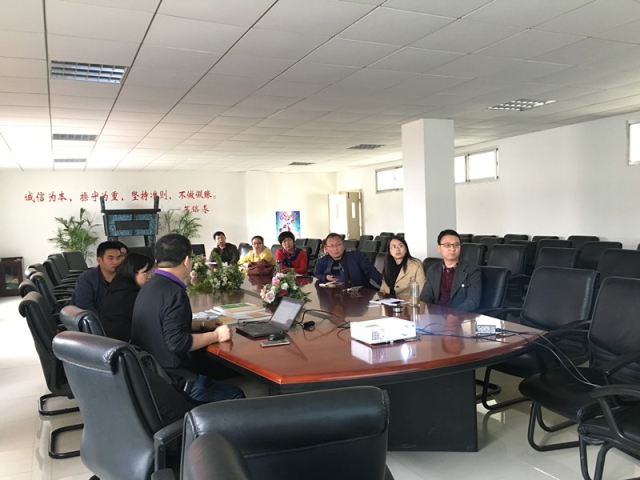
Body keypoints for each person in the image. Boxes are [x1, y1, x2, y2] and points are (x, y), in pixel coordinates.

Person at [131, 233, 244, 403]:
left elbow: (163, 323)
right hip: (174, 381)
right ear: (186, 261)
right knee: (236, 394)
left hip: (151, 373)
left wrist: (202, 324)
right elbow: (178, 342)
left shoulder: (151, 286)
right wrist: (216, 335)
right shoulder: (174, 293)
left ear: (156, 261)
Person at [420, 229, 481, 312]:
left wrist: (454, 314)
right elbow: (425, 298)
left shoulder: (472, 270)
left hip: (460, 315)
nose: (452, 249)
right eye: (447, 245)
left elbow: (472, 301)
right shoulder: (433, 270)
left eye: (456, 245)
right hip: (436, 315)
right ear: (439, 248)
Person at [99, 252, 154, 342]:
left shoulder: (119, 285)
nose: (149, 277)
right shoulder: (130, 295)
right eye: (146, 272)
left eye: (151, 272)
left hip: (108, 343)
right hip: (123, 345)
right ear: (133, 272)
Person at [70, 241, 123, 314]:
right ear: (99, 260)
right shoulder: (87, 278)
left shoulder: (124, 277)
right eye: (111, 258)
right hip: (92, 319)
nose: (116, 262)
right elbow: (85, 307)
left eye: (118, 258)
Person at [313, 233, 382, 289]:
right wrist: (325, 277)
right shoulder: (322, 260)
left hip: (357, 292)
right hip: (333, 293)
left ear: (343, 244)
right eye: (332, 246)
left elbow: (371, 271)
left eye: (338, 245)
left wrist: (384, 286)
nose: (336, 249)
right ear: (326, 248)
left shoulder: (355, 255)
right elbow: (317, 274)